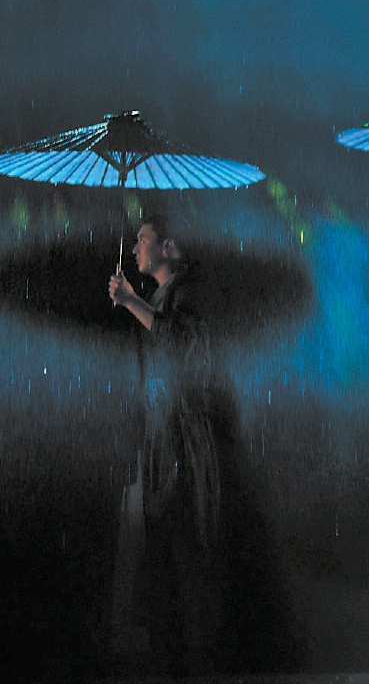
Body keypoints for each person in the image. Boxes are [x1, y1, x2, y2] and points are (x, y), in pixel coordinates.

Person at [108, 215, 227, 674]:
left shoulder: (187, 295)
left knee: (185, 553)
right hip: (159, 441)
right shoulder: (157, 297)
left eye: (144, 239)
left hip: (183, 443)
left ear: (169, 246)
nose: (136, 246)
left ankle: (197, 660)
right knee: (159, 558)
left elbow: (179, 344)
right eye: (136, 239)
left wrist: (131, 301)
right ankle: (168, 658)